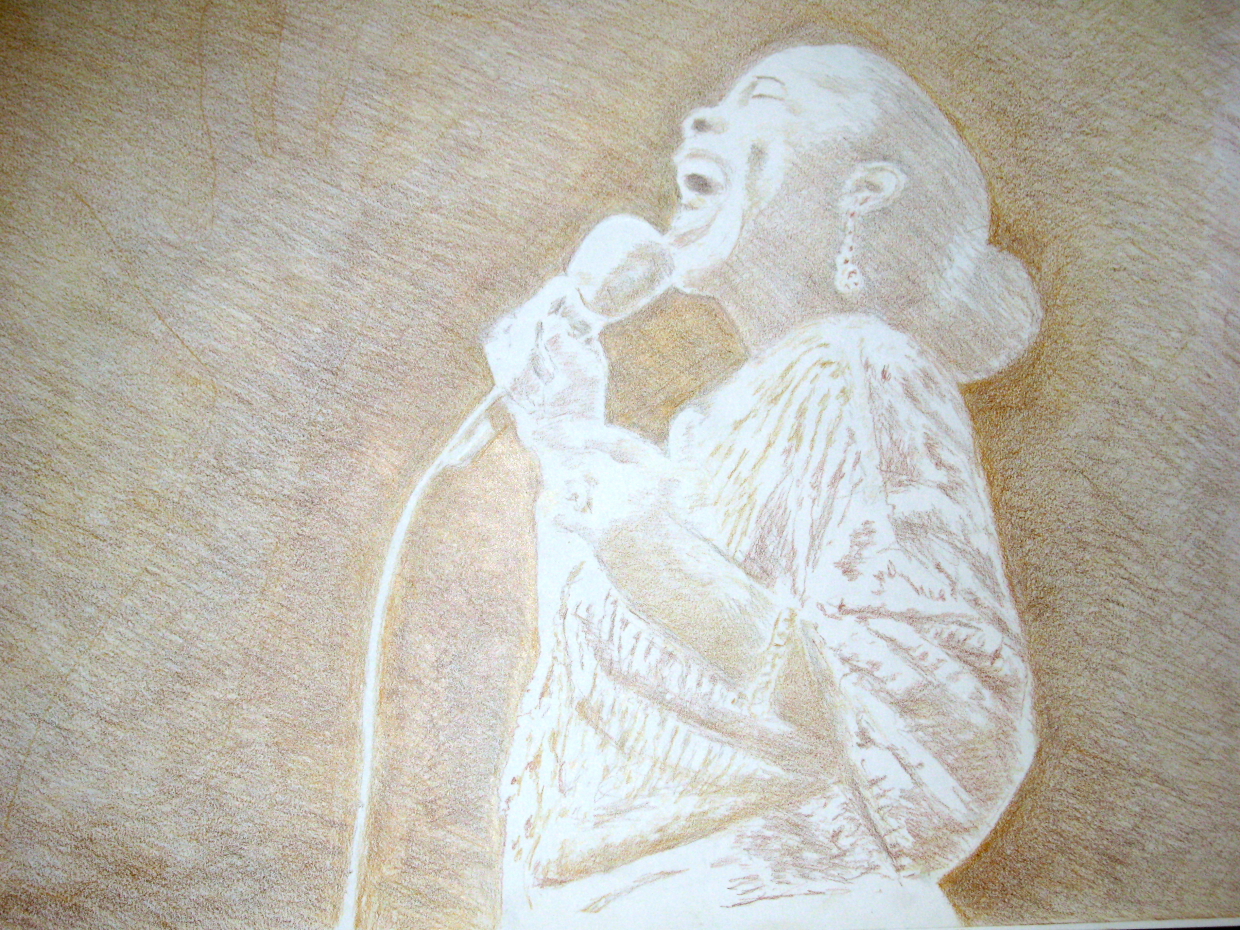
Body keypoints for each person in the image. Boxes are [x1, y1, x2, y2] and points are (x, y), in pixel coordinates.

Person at [484, 44, 1041, 930]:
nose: (701, 120)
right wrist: (564, 437)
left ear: (864, 191)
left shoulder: (862, 366)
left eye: (764, 99)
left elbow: (944, 715)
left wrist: (652, 547)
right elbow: (621, 718)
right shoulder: (702, 434)